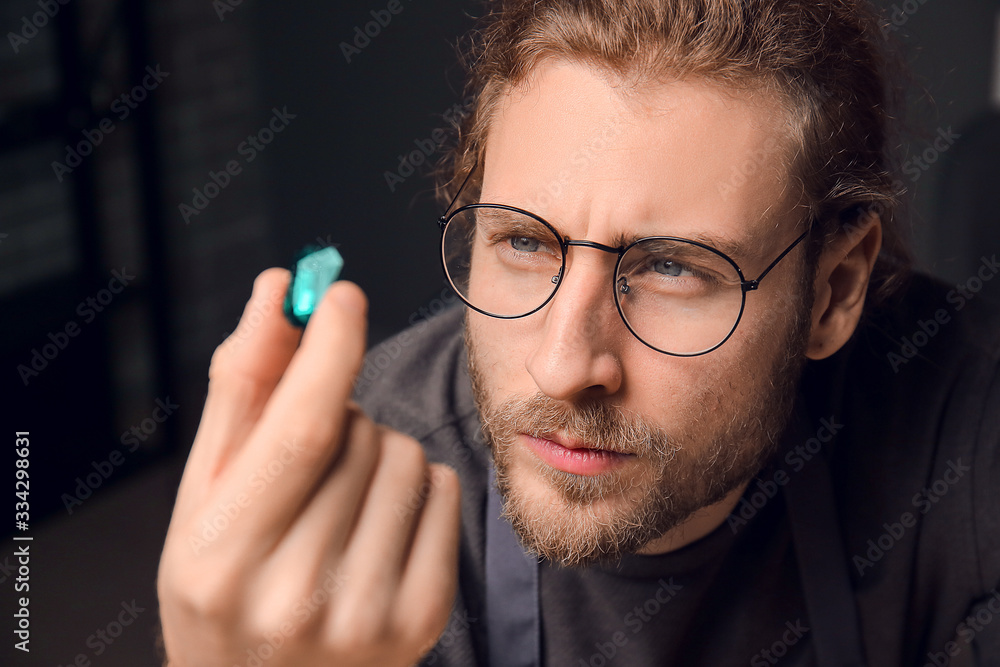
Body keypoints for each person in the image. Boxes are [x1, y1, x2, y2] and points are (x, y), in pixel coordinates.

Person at [156, 1, 1000, 665]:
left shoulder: (960, 415)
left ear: (833, 291)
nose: (563, 365)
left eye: (674, 267)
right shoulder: (368, 495)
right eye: (524, 243)